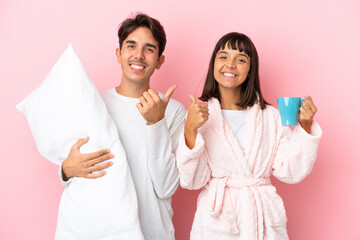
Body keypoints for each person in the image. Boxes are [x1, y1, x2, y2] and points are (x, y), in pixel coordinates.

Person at [176, 32, 322, 240]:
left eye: (241, 59)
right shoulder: (200, 116)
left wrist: (305, 127)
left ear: (250, 70)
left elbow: (292, 171)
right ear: (213, 64)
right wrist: (190, 130)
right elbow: (192, 181)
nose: (231, 64)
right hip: (218, 224)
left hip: (262, 220)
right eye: (223, 56)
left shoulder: (269, 116)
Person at [59, 13, 186, 240]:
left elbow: (166, 188)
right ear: (118, 54)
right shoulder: (94, 105)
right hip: (99, 232)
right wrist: (66, 171)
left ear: (159, 60)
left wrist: (156, 122)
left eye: (149, 49)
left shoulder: (173, 111)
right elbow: (74, 171)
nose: (138, 55)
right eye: (131, 46)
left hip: (152, 233)